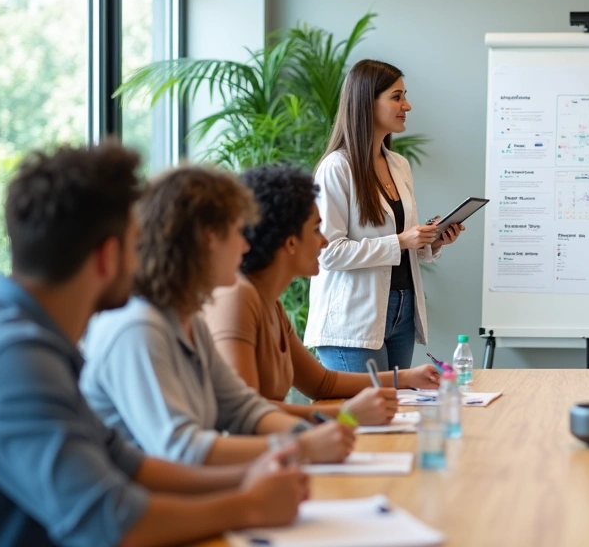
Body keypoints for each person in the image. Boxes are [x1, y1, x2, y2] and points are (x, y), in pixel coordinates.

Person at [0, 144, 306, 547]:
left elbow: (127, 464)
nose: (147, 255)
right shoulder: (15, 356)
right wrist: (248, 504)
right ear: (107, 256)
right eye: (136, 243)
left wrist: (256, 474)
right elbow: (110, 521)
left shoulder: (36, 340)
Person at [81, 165, 357, 465]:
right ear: (210, 238)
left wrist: (309, 436)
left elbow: (243, 408)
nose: (246, 244)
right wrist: (303, 446)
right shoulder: (138, 328)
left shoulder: (189, 321)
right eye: (238, 230)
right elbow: (183, 449)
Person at [203, 163, 441, 423]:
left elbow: (322, 384)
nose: (325, 242)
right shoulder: (238, 298)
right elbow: (244, 412)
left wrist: (404, 378)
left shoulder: (270, 304)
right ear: (290, 242)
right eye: (317, 229)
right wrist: (347, 415)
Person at [305, 59, 464, 372]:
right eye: (396, 97)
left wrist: (433, 240)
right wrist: (401, 241)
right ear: (367, 102)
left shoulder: (398, 164)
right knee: (366, 418)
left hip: (401, 311)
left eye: (404, 96)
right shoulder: (337, 168)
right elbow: (328, 252)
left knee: (397, 413)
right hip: (352, 323)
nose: (407, 105)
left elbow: (405, 243)